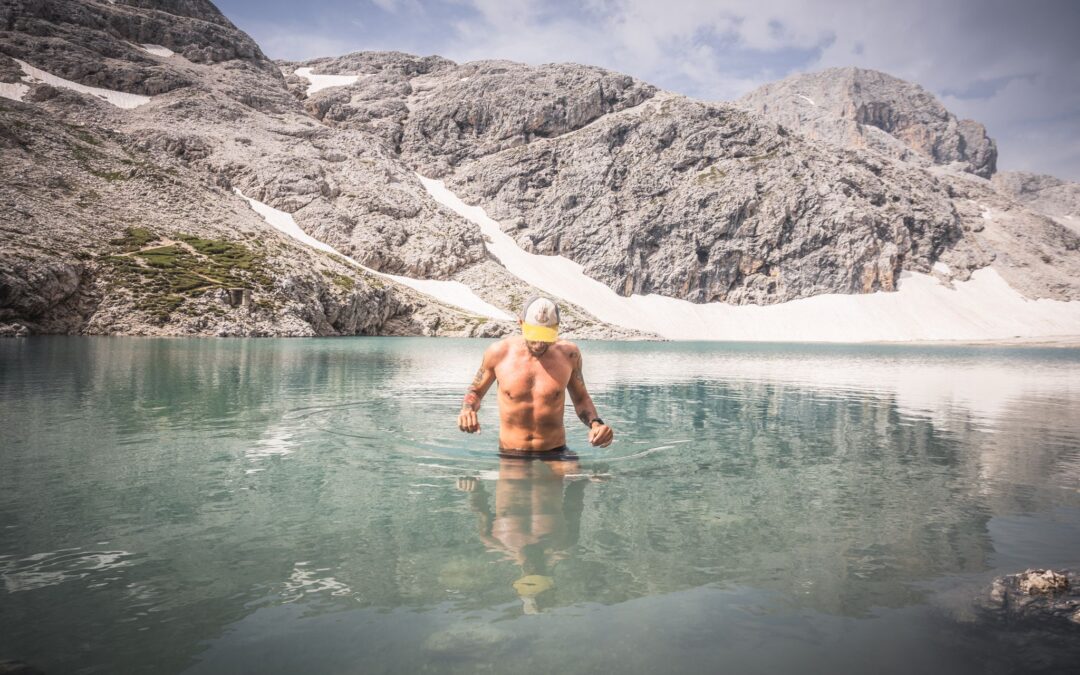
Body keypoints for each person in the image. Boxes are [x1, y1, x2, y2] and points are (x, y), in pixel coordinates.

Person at [456, 296, 614, 455]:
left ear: (557, 327)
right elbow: (476, 392)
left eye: (545, 336)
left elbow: (581, 399)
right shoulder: (498, 353)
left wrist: (596, 424)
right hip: (512, 453)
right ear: (520, 322)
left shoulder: (569, 355)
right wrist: (467, 410)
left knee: (592, 478)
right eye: (534, 335)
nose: (539, 343)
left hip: (556, 450)